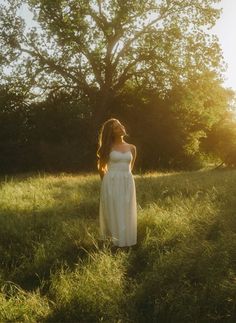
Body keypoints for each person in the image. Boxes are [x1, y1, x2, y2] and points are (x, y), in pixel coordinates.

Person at [97, 118, 137, 247]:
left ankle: (126, 242)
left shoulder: (132, 148)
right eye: (116, 127)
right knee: (114, 210)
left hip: (127, 181)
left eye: (120, 125)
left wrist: (124, 179)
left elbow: (130, 167)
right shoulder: (108, 148)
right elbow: (101, 168)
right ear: (111, 132)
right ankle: (113, 242)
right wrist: (106, 184)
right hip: (111, 182)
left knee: (126, 209)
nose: (121, 128)